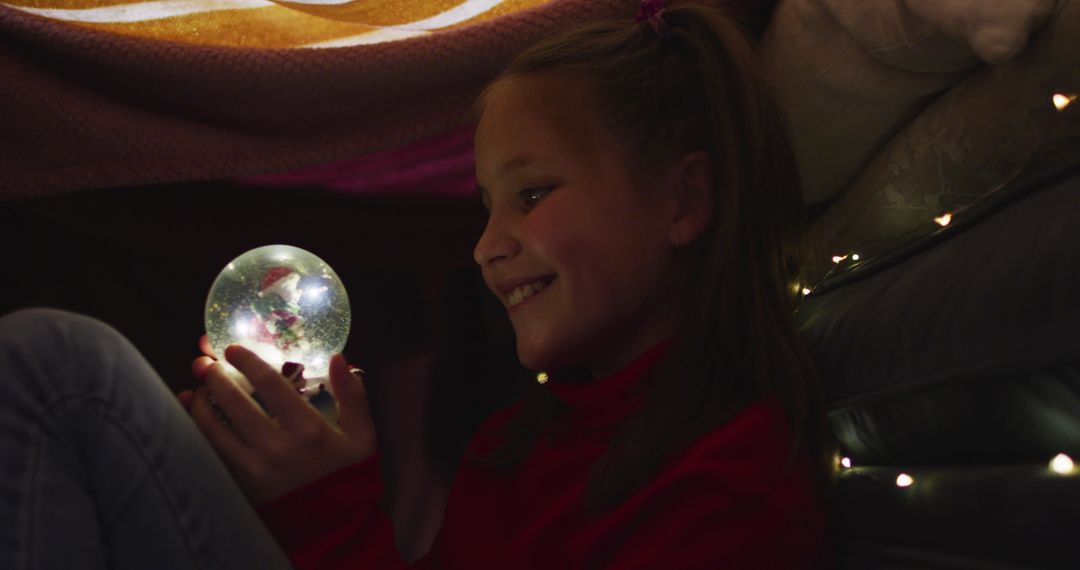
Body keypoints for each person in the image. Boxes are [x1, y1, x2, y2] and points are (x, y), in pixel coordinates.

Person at [0, 1, 830, 568]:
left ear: (683, 200)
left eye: (532, 194)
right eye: (485, 205)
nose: (487, 247)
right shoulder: (518, 443)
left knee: (56, 369)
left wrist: (329, 506)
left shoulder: (729, 479)